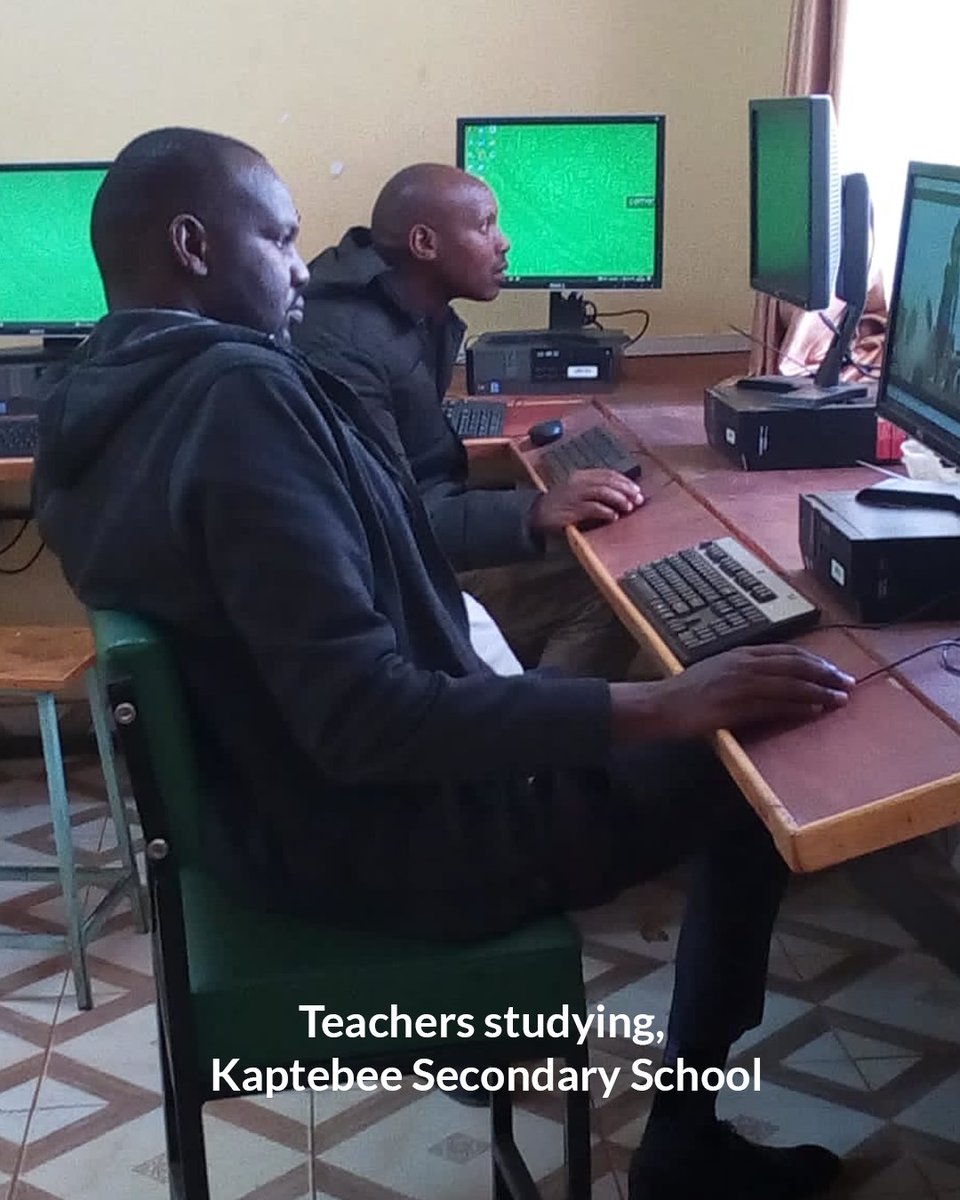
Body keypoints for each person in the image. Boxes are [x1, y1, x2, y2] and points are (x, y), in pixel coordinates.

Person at [34, 128, 854, 1200]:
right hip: (391, 838)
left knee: (661, 693)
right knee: (754, 766)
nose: (301, 271)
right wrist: (665, 706)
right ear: (193, 246)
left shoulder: (96, 398)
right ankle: (683, 1148)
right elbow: (366, 718)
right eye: (279, 240)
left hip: (270, 819)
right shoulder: (235, 399)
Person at [292, 162, 642, 679]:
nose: (504, 242)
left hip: (409, 547)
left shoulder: (397, 306)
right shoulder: (348, 343)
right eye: (485, 225)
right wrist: (534, 510)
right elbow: (387, 521)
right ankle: (542, 726)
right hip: (392, 580)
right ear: (424, 243)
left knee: (589, 546)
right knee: (614, 585)